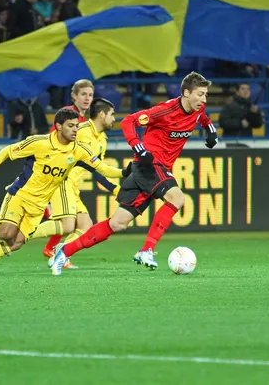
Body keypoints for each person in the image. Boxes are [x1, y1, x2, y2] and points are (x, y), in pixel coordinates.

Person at [50, 72, 218, 275]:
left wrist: (210, 130)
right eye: (200, 94)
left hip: (155, 170)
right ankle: (147, 250)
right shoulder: (164, 111)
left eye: (206, 95)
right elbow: (129, 121)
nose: (204, 99)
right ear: (186, 93)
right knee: (177, 198)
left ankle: (64, 252)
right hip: (149, 164)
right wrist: (137, 146)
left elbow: (203, 118)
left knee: (117, 223)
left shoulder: (198, 109)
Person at [0, 107, 129, 276]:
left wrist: (124, 172)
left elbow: (103, 169)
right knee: (6, 234)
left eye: (76, 126)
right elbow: (8, 151)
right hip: (20, 195)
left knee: (15, 243)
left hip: (38, 206)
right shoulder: (39, 143)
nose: (75, 130)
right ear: (58, 126)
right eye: (70, 126)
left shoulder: (78, 151)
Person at [30, 98, 129, 269]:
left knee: (84, 225)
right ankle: (23, 233)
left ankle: (59, 253)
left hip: (72, 187)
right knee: (67, 226)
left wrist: (115, 189)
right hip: (62, 182)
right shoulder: (80, 130)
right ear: (102, 114)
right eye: (112, 114)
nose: (114, 119)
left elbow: (97, 169)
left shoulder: (102, 140)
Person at [43, 79, 93, 256]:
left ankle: (53, 250)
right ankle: (58, 252)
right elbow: (53, 141)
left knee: (73, 222)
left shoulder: (80, 118)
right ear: (74, 96)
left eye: (90, 95)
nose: (87, 98)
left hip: (66, 174)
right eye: (83, 94)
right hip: (58, 173)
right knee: (69, 222)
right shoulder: (68, 115)